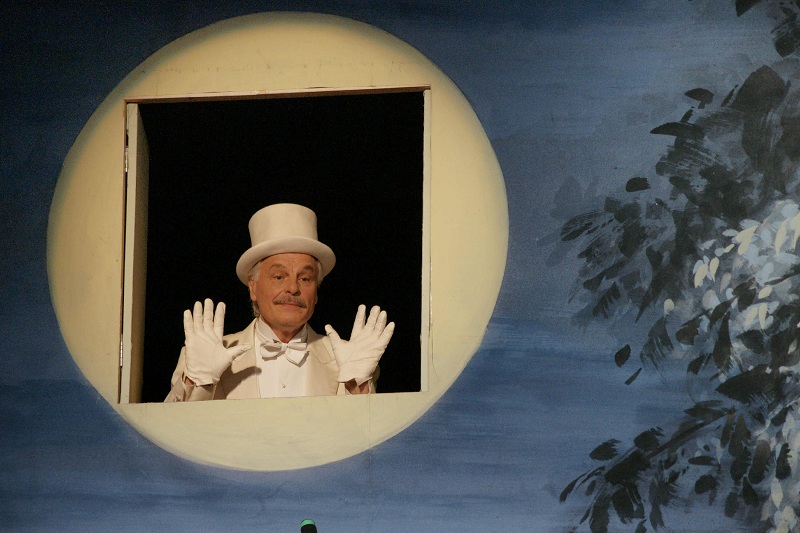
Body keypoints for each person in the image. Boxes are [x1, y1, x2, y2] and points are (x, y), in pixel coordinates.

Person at [164, 203, 394, 401]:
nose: (293, 288)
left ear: (316, 292)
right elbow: (169, 432)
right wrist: (197, 381)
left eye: (305, 278)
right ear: (253, 287)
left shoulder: (347, 360)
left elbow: (366, 434)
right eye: (279, 277)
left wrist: (357, 387)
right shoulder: (206, 355)